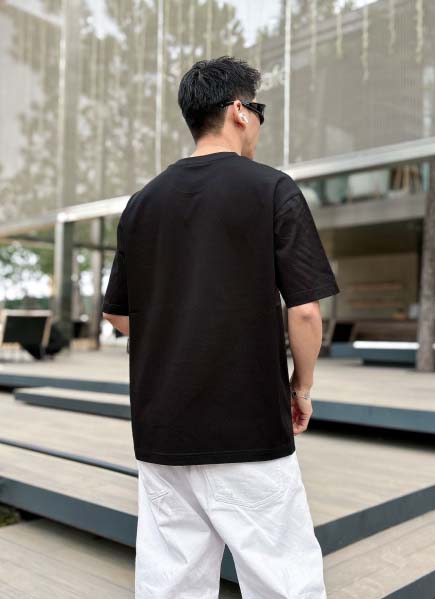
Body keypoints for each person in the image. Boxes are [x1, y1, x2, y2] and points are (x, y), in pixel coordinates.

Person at [102, 55, 340, 599]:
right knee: (283, 581)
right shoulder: (272, 189)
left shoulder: (142, 203)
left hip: (163, 429)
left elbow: (117, 312)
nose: (258, 123)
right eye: (259, 111)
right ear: (238, 111)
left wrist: (177, 335)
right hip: (248, 424)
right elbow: (305, 311)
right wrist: (301, 388)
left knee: (171, 584)